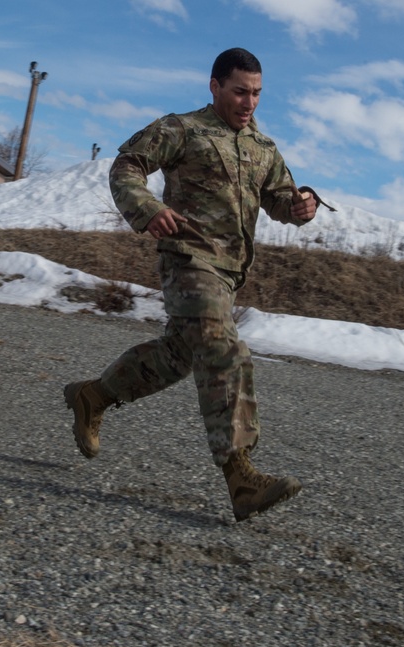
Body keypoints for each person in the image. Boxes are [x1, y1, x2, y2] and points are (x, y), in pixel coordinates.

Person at [64, 47, 328, 522]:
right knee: (223, 347)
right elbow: (126, 166)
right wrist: (148, 209)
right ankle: (239, 473)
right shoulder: (183, 129)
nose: (249, 103)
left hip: (228, 274)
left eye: (257, 94)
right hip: (187, 257)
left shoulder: (264, 149)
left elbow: (283, 201)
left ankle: (93, 396)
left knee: (179, 356)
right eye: (240, 91)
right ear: (215, 86)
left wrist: (301, 208)